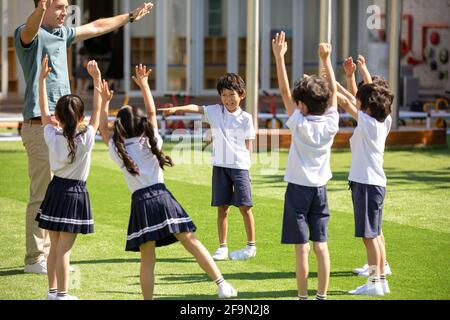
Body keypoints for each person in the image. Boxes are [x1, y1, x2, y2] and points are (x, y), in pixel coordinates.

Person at [15, 0, 154, 274]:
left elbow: (97, 26)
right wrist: (41, 9)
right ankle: (35, 259)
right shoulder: (27, 33)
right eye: (58, 6)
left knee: (60, 193)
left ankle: (53, 257)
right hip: (39, 125)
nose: (65, 11)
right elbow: (31, 29)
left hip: (66, 126)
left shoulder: (62, 34)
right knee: (41, 193)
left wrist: (129, 16)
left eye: (66, 6)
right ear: (42, 6)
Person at [97, 64, 238, 300]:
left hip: (141, 203)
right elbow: (152, 114)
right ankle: (222, 284)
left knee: (148, 260)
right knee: (191, 242)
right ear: (141, 124)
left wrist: (102, 100)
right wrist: (144, 85)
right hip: (163, 198)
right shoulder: (151, 141)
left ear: (119, 129)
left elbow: (102, 127)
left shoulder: (118, 150)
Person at [161, 73, 257, 262]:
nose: (228, 99)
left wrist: (248, 170)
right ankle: (222, 247)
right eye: (224, 95)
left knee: (245, 207)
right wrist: (176, 109)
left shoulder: (246, 118)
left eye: (232, 95)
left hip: (239, 167)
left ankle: (251, 246)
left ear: (241, 94)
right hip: (219, 167)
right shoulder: (214, 111)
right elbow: (196, 108)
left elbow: (249, 146)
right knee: (222, 208)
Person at [272, 32, 339, 301]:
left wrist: (279, 57)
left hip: (298, 191)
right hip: (321, 191)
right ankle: (321, 296)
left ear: (302, 105)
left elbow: (285, 92)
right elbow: (333, 95)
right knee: (321, 247)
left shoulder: (299, 123)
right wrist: (327, 60)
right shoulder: (331, 123)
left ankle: (302, 297)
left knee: (302, 250)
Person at [36, 56, 101, 300]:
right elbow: (96, 117)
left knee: (54, 248)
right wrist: (96, 80)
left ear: (59, 116)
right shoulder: (85, 140)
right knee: (64, 251)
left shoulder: (52, 135)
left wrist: (41, 80)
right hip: (74, 194)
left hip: (55, 191)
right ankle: (62, 295)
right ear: (80, 118)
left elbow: (43, 110)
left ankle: (53, 293)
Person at [336, 82, 394, 296]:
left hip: (367, 185)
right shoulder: (384, 121)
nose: (356, 102)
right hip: (375, 184)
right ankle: (380, 281)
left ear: (368, 108)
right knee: (375, 235)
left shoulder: (368, 123)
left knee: (369, 237)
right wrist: (342, 83)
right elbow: (353, 99)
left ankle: (373, 282)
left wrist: (329, 82)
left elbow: (345, 101)